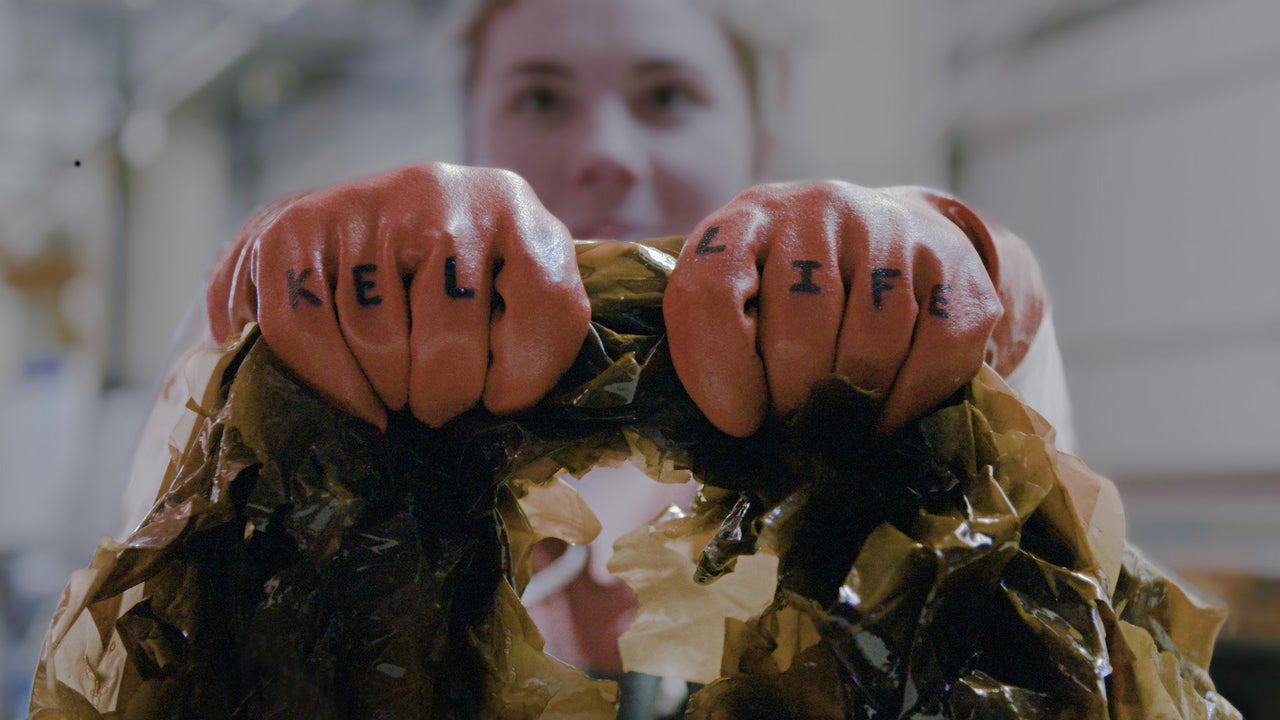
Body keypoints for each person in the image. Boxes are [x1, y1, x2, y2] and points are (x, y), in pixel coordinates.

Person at [142, 0, 1074, 714]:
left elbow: (1047, 589)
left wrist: (978, 266)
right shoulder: (365, 404)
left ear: (758, 141)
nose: (606, 152)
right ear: (470, 141)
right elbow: (161, 584)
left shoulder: (877, 402)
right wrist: (250, 315)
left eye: (666, 96)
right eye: (541, 96)